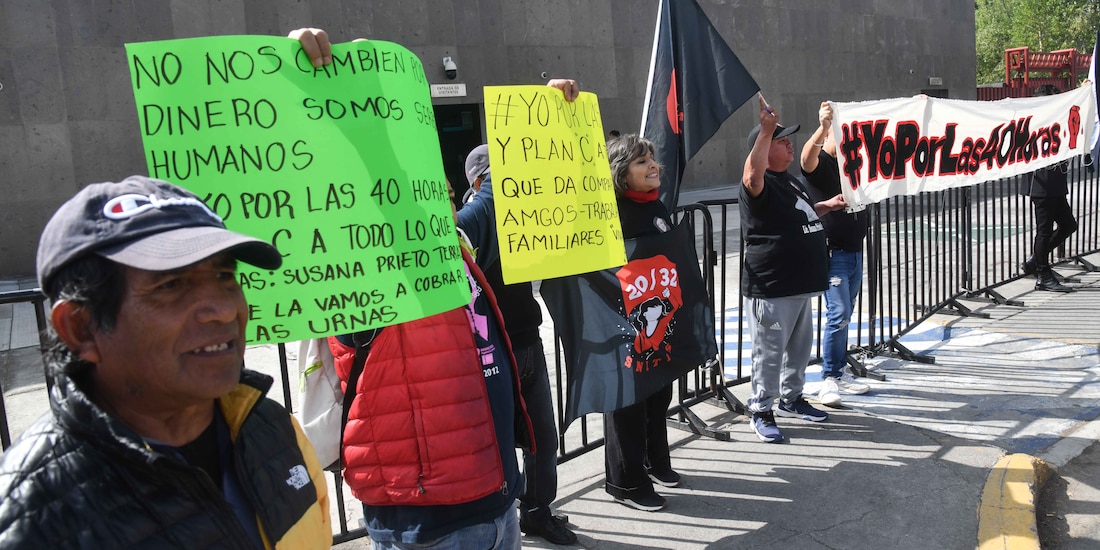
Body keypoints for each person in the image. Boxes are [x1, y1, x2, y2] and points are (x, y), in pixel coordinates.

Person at [293, 29, 535, 549]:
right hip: (428, 522)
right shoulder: (356, 268)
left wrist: (552, 119)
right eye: (413, 185)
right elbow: (352, 173)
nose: (437, 196)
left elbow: (502, 194)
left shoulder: (458, 250)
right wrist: (315, 89)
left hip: (495, 500)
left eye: (440, 187)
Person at [0, 176, 332, 548]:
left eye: (225, 276)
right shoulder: (29, 520)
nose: (224, 310)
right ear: (81, 328)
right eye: (171, 285)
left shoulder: (274, 430)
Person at [459, 139, 579, 545]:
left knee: (543, 439)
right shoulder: (472, 223)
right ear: (480, 183)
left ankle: (537, 511)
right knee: (499, 448)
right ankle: (504, 522)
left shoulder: (525, 218)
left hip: (528, 343)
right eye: (506, 179)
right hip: (488, 356)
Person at [741, 95, 847, 443]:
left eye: (787, 139)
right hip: (773, 287)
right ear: (763, 147)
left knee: (799, 350)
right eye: (780, 139)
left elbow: (799, 214)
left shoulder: (789, 180)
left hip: (800, 285)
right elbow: (752, 176)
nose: (788, 144)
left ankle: (791, 398)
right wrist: (765, 132)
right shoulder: (760, 182)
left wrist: (826, 206)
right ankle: (761, 408)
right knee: (769, 351)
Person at [601, 133, 680, 511]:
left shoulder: (656, 207)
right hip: (623, 325)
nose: (652, 165)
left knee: (658, 391)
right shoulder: (609, 215)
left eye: (651, 157)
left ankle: (653, 460)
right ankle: (626, 483)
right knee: (628, 402)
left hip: (657, 321)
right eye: (640, 161)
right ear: (620, 173)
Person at [800, 101, 871, 407]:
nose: (842, 142)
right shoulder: (823, 166)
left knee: (845, 314)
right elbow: (806, 158)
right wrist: (824, 126)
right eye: (836, 136)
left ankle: (838, 372)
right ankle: (829, 376)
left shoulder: (856, 166)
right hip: (835, 252)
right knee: (838, 313)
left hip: (854, 252)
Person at [1020, 84, 1078, 293]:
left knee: (1068, 225)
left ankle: (1036, 262)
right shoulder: (1034, 120)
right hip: (1041, 183)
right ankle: (1043, 274)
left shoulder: (1055, 119)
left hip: (1056, 181)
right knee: (1043, 231)